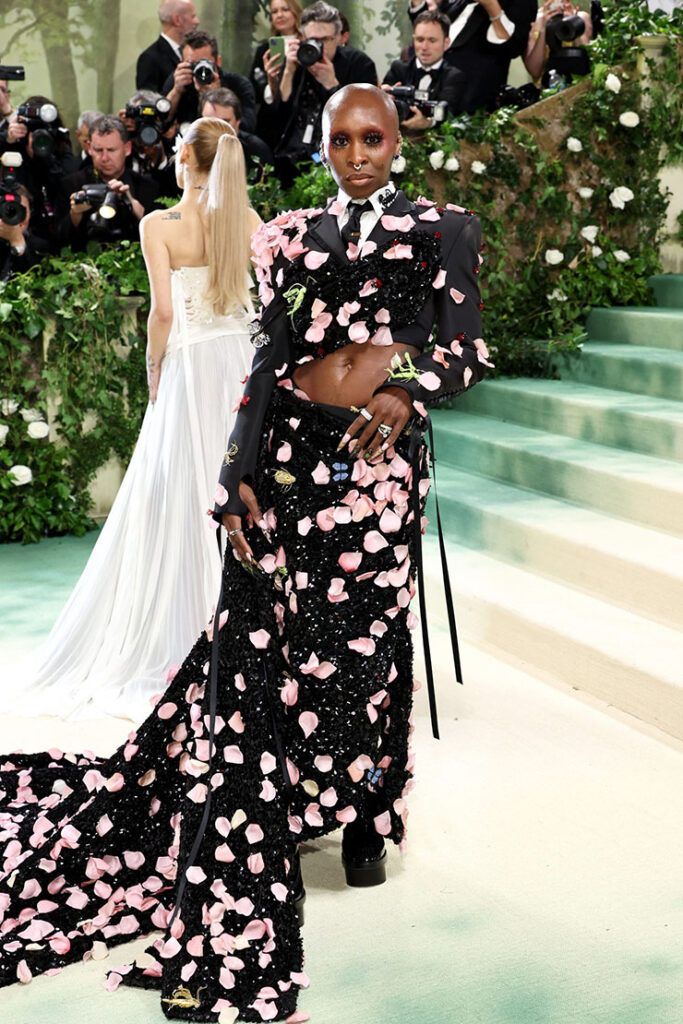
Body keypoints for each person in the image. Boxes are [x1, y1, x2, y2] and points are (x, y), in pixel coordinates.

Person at [0, 85, 489, 1022]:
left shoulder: (442, 227)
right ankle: (261, 825)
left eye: (372, 137)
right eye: (340, 139)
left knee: (362, 651)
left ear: (397, 140)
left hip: (379, 469)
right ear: (320, 144)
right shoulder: (289, 235)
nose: (356, 154)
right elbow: (265, 355)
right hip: (289, 456)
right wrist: (233, 470)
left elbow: (463, 346)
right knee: (261, 648)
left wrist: (407, 393)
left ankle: (364, 820)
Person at [7, 117, 259, 723]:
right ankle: (239, 638)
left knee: (181, 494)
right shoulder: (249, 224)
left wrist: (154, 376)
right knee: (237, 489)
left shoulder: (159, 225)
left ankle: (179, 634)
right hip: (242, 367)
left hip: (192, 369)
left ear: (185, 161)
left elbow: (163, 316)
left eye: (175, 150)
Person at [264, 1, 378, 185]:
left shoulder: (359, 64)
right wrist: (287, 73)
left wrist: (332, 85)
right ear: (302, 37)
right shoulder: (296, 61)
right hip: (289, 160)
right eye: (313, 40)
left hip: (339, 162)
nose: (319, 47)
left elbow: (366, 120)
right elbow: (276, 121)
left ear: (339, 38)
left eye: (325, 40)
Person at [409, 0, 537, 112]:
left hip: (471, 107)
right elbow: (431, 30)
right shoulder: (458, 4)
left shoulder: (518, 3)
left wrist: (491, 5)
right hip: (431, 99)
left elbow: (513, 47)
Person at [57, 115, 159, 250]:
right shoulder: (70, 185)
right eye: (99, 150)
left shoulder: (147, 187)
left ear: (127, 148)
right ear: (89, 148)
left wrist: (138, 211)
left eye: (111, 150)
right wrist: (75, 215)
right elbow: (56, 241)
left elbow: (164, 238)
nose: (104, 158)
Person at [1, 95, 79, 248]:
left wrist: (46, 156)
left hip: (59, 235)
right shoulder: (13, 151)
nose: (35, 136)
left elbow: (67, 183)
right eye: (32, 130)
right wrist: (8, 139)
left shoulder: (61, 150)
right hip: (20, 234)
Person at [162, 29, 257, 134]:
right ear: (181, 63)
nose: (199, 70)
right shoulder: (178, 80)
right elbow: (162, 124)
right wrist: (176, 91)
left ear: (218, 62)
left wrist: (218, 96)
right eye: (192, 64)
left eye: (204, 63)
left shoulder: (239, 84)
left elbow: (247, 128)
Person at [384, 10, 466, 128]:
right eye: (420, 40)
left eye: (432, 41)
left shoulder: (454, 77)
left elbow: (448, 114)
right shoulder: (398, 69)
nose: (424, 47)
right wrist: (379, 95)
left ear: (446, 43)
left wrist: (428, 123)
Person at [199, 87, 274, 180]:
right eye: (210, 121)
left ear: (238, 122)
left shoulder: (257, 151)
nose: (216, 129)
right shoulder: (190, 148)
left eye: (224, 122)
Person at [136, 0, 200, 93]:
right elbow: (148, 102)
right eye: (193, 16)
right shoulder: (149, 59)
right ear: (177, 20)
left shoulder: (193, 52)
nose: (197, 21)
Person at [249, 0, 303, 107]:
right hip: (271, 114)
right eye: (274, 11)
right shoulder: (264, 50)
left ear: (296, 12)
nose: (279, 15)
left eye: (285, 9)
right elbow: (253, 90)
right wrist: (271, 84)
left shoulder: (306, 47)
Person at [0, 183, 49, 281]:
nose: (14, 217)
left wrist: (17, 242)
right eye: (8, 210)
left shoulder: (40, 247)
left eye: (20, 211)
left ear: (30, 212)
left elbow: (35, 284)